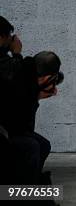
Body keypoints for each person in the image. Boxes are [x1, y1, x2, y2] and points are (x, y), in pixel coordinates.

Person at [0, 16, 63, 184]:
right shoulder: (10, 64)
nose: (12, 41)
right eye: (9, 37)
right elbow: (13, 78)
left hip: (8, 126)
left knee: (41, 145)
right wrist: (17, 53)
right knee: (32, 147)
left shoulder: (9, 62)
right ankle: (21, 193)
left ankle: (27, 190)